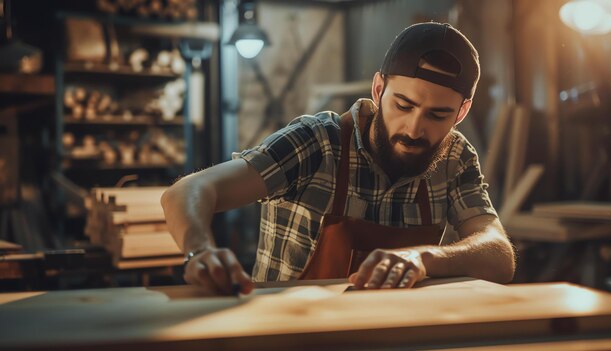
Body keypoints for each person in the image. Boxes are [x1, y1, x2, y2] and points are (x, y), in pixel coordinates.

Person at [161, 22, 516, 295]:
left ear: (462, 111)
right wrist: (200, 251)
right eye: (403, 105)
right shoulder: (316, 143)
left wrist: (422, 258)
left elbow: (499, 255)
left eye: (438, 116)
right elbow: (188, 191)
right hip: (290, 337)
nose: (414, 129)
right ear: (379, 89)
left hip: (394, 336)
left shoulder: (455, 157)